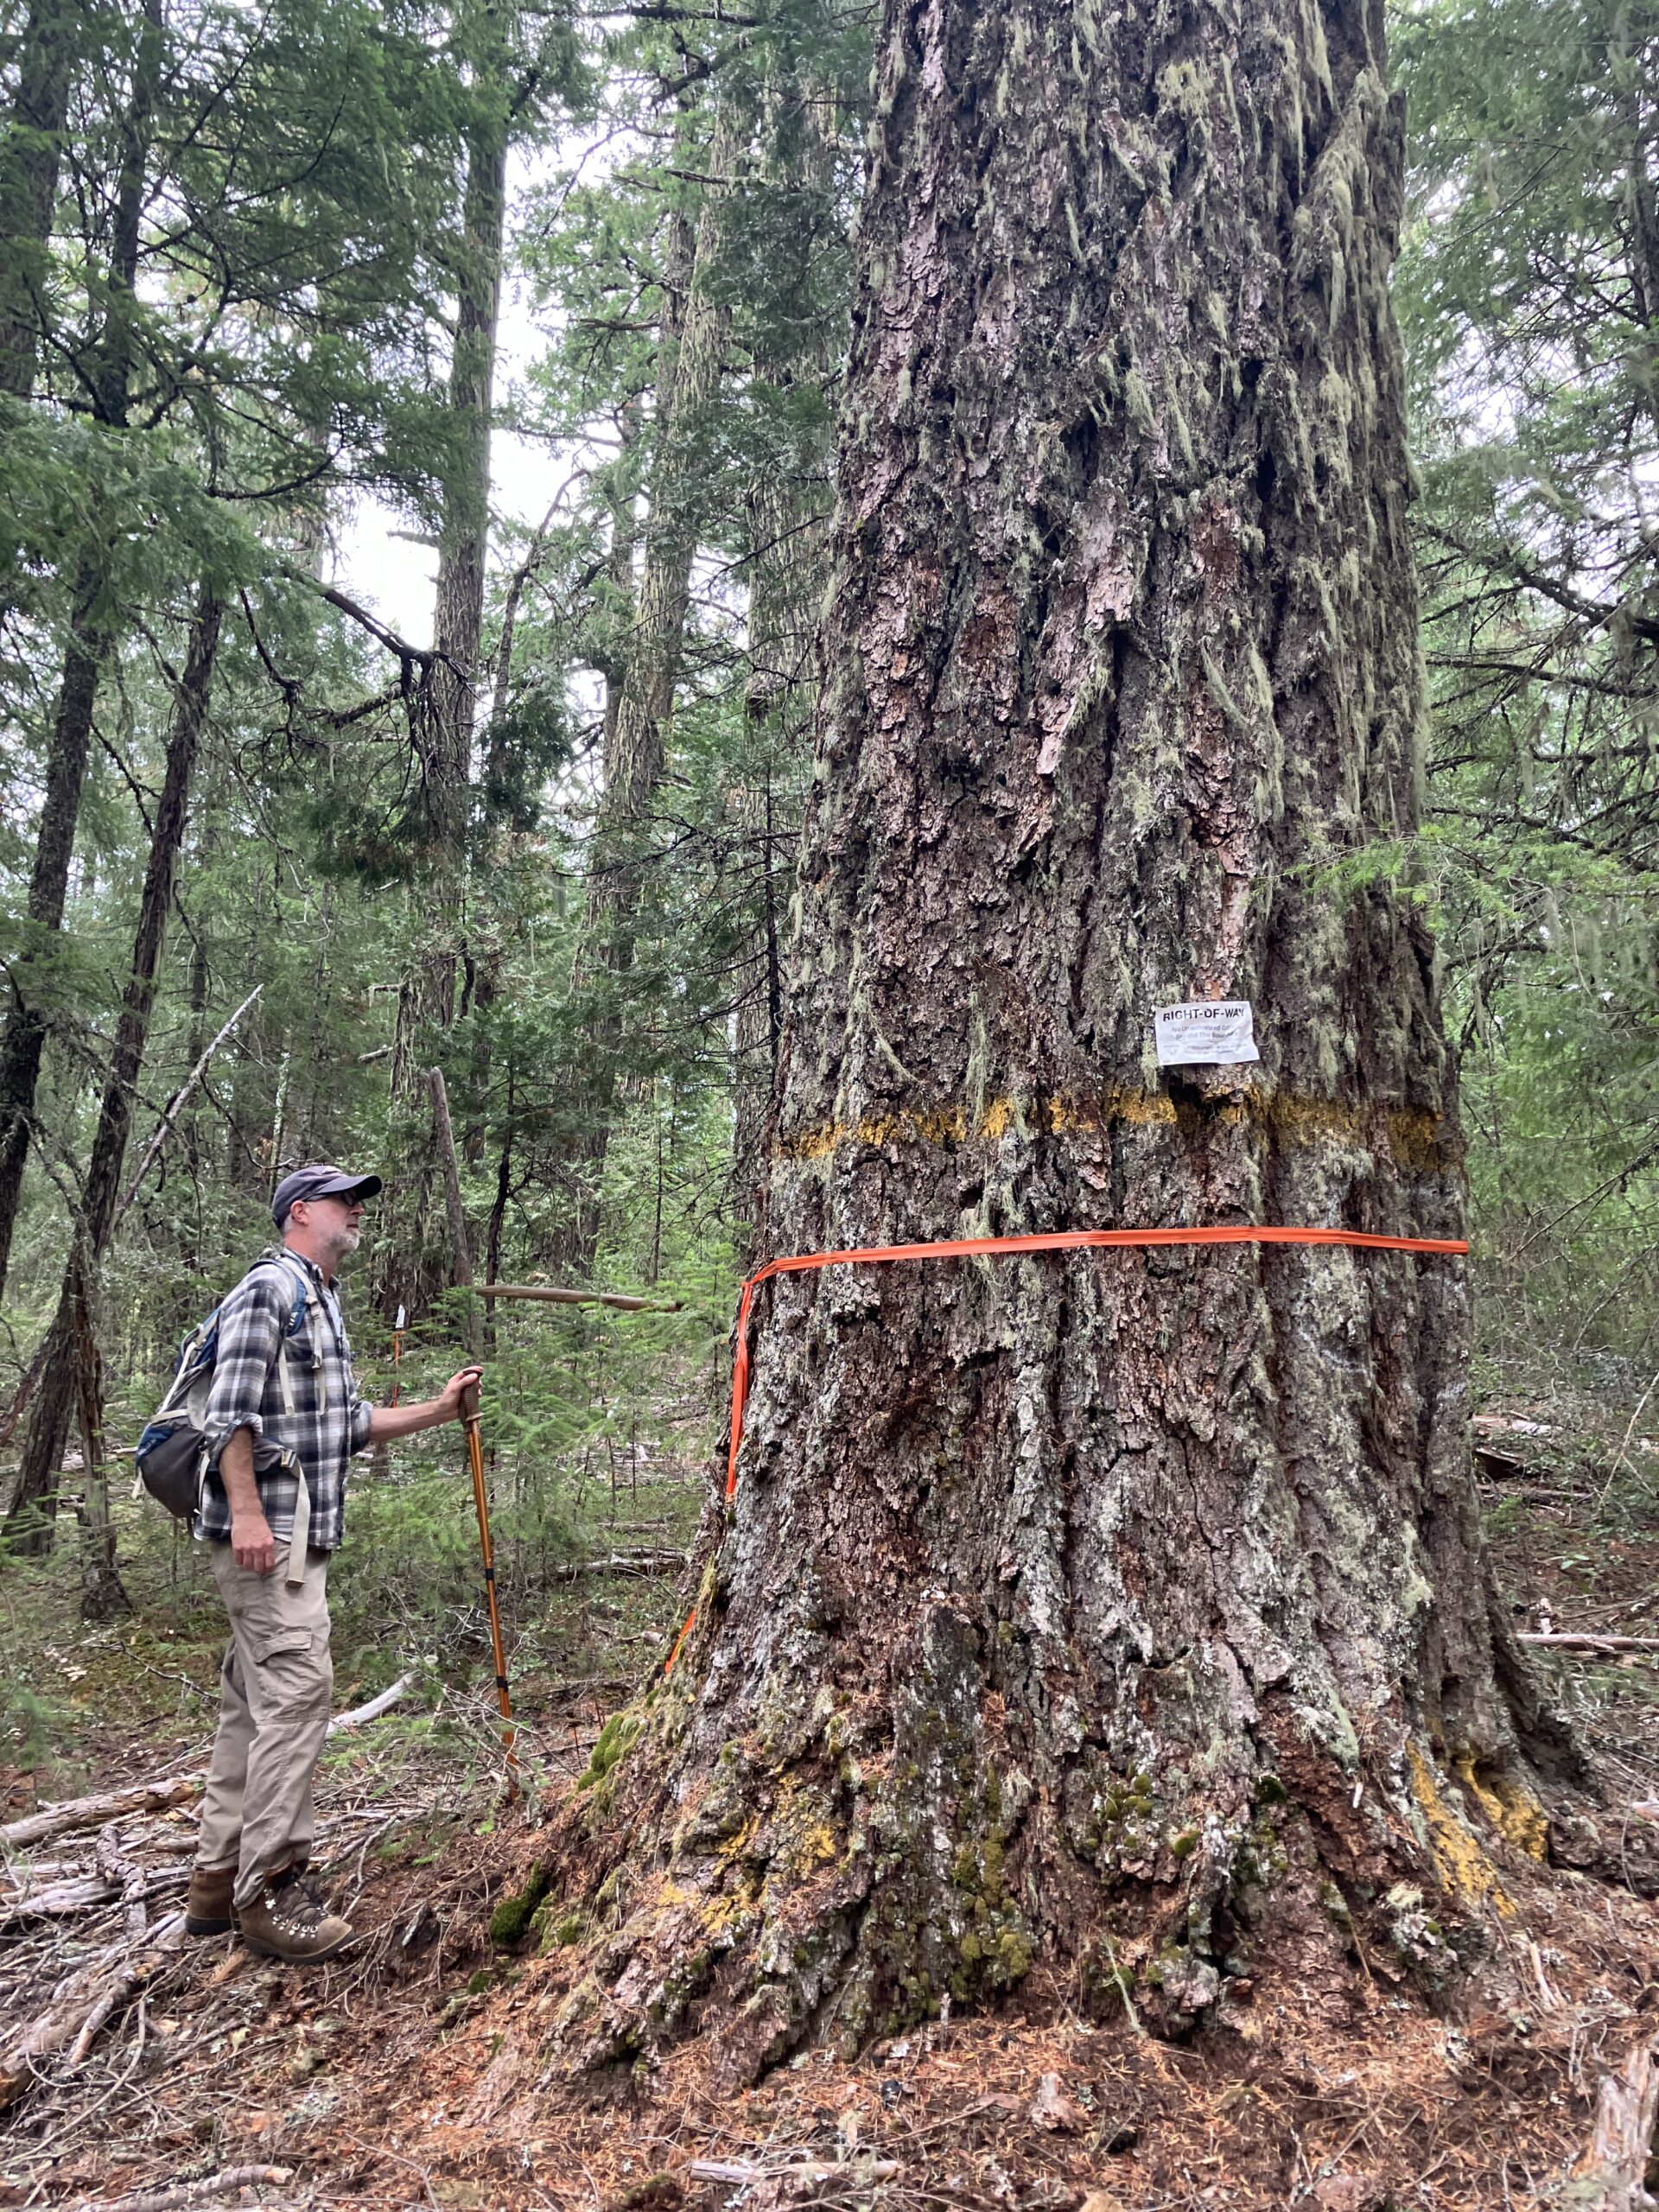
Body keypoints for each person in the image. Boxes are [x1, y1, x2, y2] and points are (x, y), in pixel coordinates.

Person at [183, 1164, 480, 1965]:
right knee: (299, 1694)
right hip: (268, 1536)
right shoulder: (269, 1291)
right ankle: (271, 1891)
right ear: (301, 1212)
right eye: (345, 1199)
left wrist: (440, 1409)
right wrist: (247, 1513)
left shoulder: (322, 1301)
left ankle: (214, 1885)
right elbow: (228, 1413)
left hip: (294, 1536)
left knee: (253, 1705)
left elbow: (347, 1424)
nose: (357, 1210)